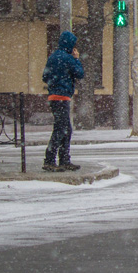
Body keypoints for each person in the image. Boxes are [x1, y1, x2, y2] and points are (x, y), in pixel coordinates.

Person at [42, 31, 84, 172]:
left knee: (64, 129)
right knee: (62, 129)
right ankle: (51, 160)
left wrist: (54, 82)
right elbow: (80, 73)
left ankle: (63, 159)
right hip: (62, 97)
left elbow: (45, 76)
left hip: (53, 97)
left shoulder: (53, 57)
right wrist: (76, 59)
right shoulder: (68, 58)